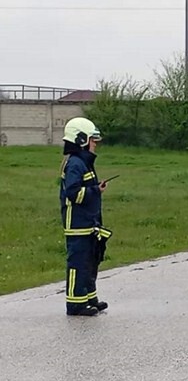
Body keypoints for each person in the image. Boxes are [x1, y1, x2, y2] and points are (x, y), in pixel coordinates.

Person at [60, 117, 112, 316]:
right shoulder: (75, 164)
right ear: (81, 140)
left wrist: (95, 188)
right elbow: (73, 193)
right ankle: (75, 304)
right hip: (77, 225)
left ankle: (89, 299)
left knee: (90, 263)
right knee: (78, 264)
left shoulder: (84, 163)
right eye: (92, 140)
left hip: (89, 223)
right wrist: (95, 191)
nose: (95, 144)